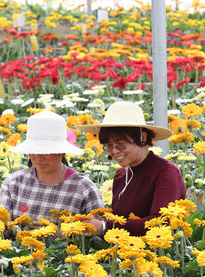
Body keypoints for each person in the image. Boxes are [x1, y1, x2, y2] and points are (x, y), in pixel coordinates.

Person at [76, 101, 186, 236]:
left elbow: (160, 223)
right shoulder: (121, 175)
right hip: (127, 247)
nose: (115, 151)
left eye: (121, 144)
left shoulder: (166, 172)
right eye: (109, 146)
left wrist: (105, 226)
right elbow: (121, 221)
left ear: (143, 138)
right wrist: (99, 221)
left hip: (161, 247)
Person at [0, 110, 105, 232]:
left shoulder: (84, 188)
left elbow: (98, 234)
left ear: (62, 152)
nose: (39, 157)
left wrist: (61, 235)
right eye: (33, 150)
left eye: (47, 151)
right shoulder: (14, 182)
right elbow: (0, 228)